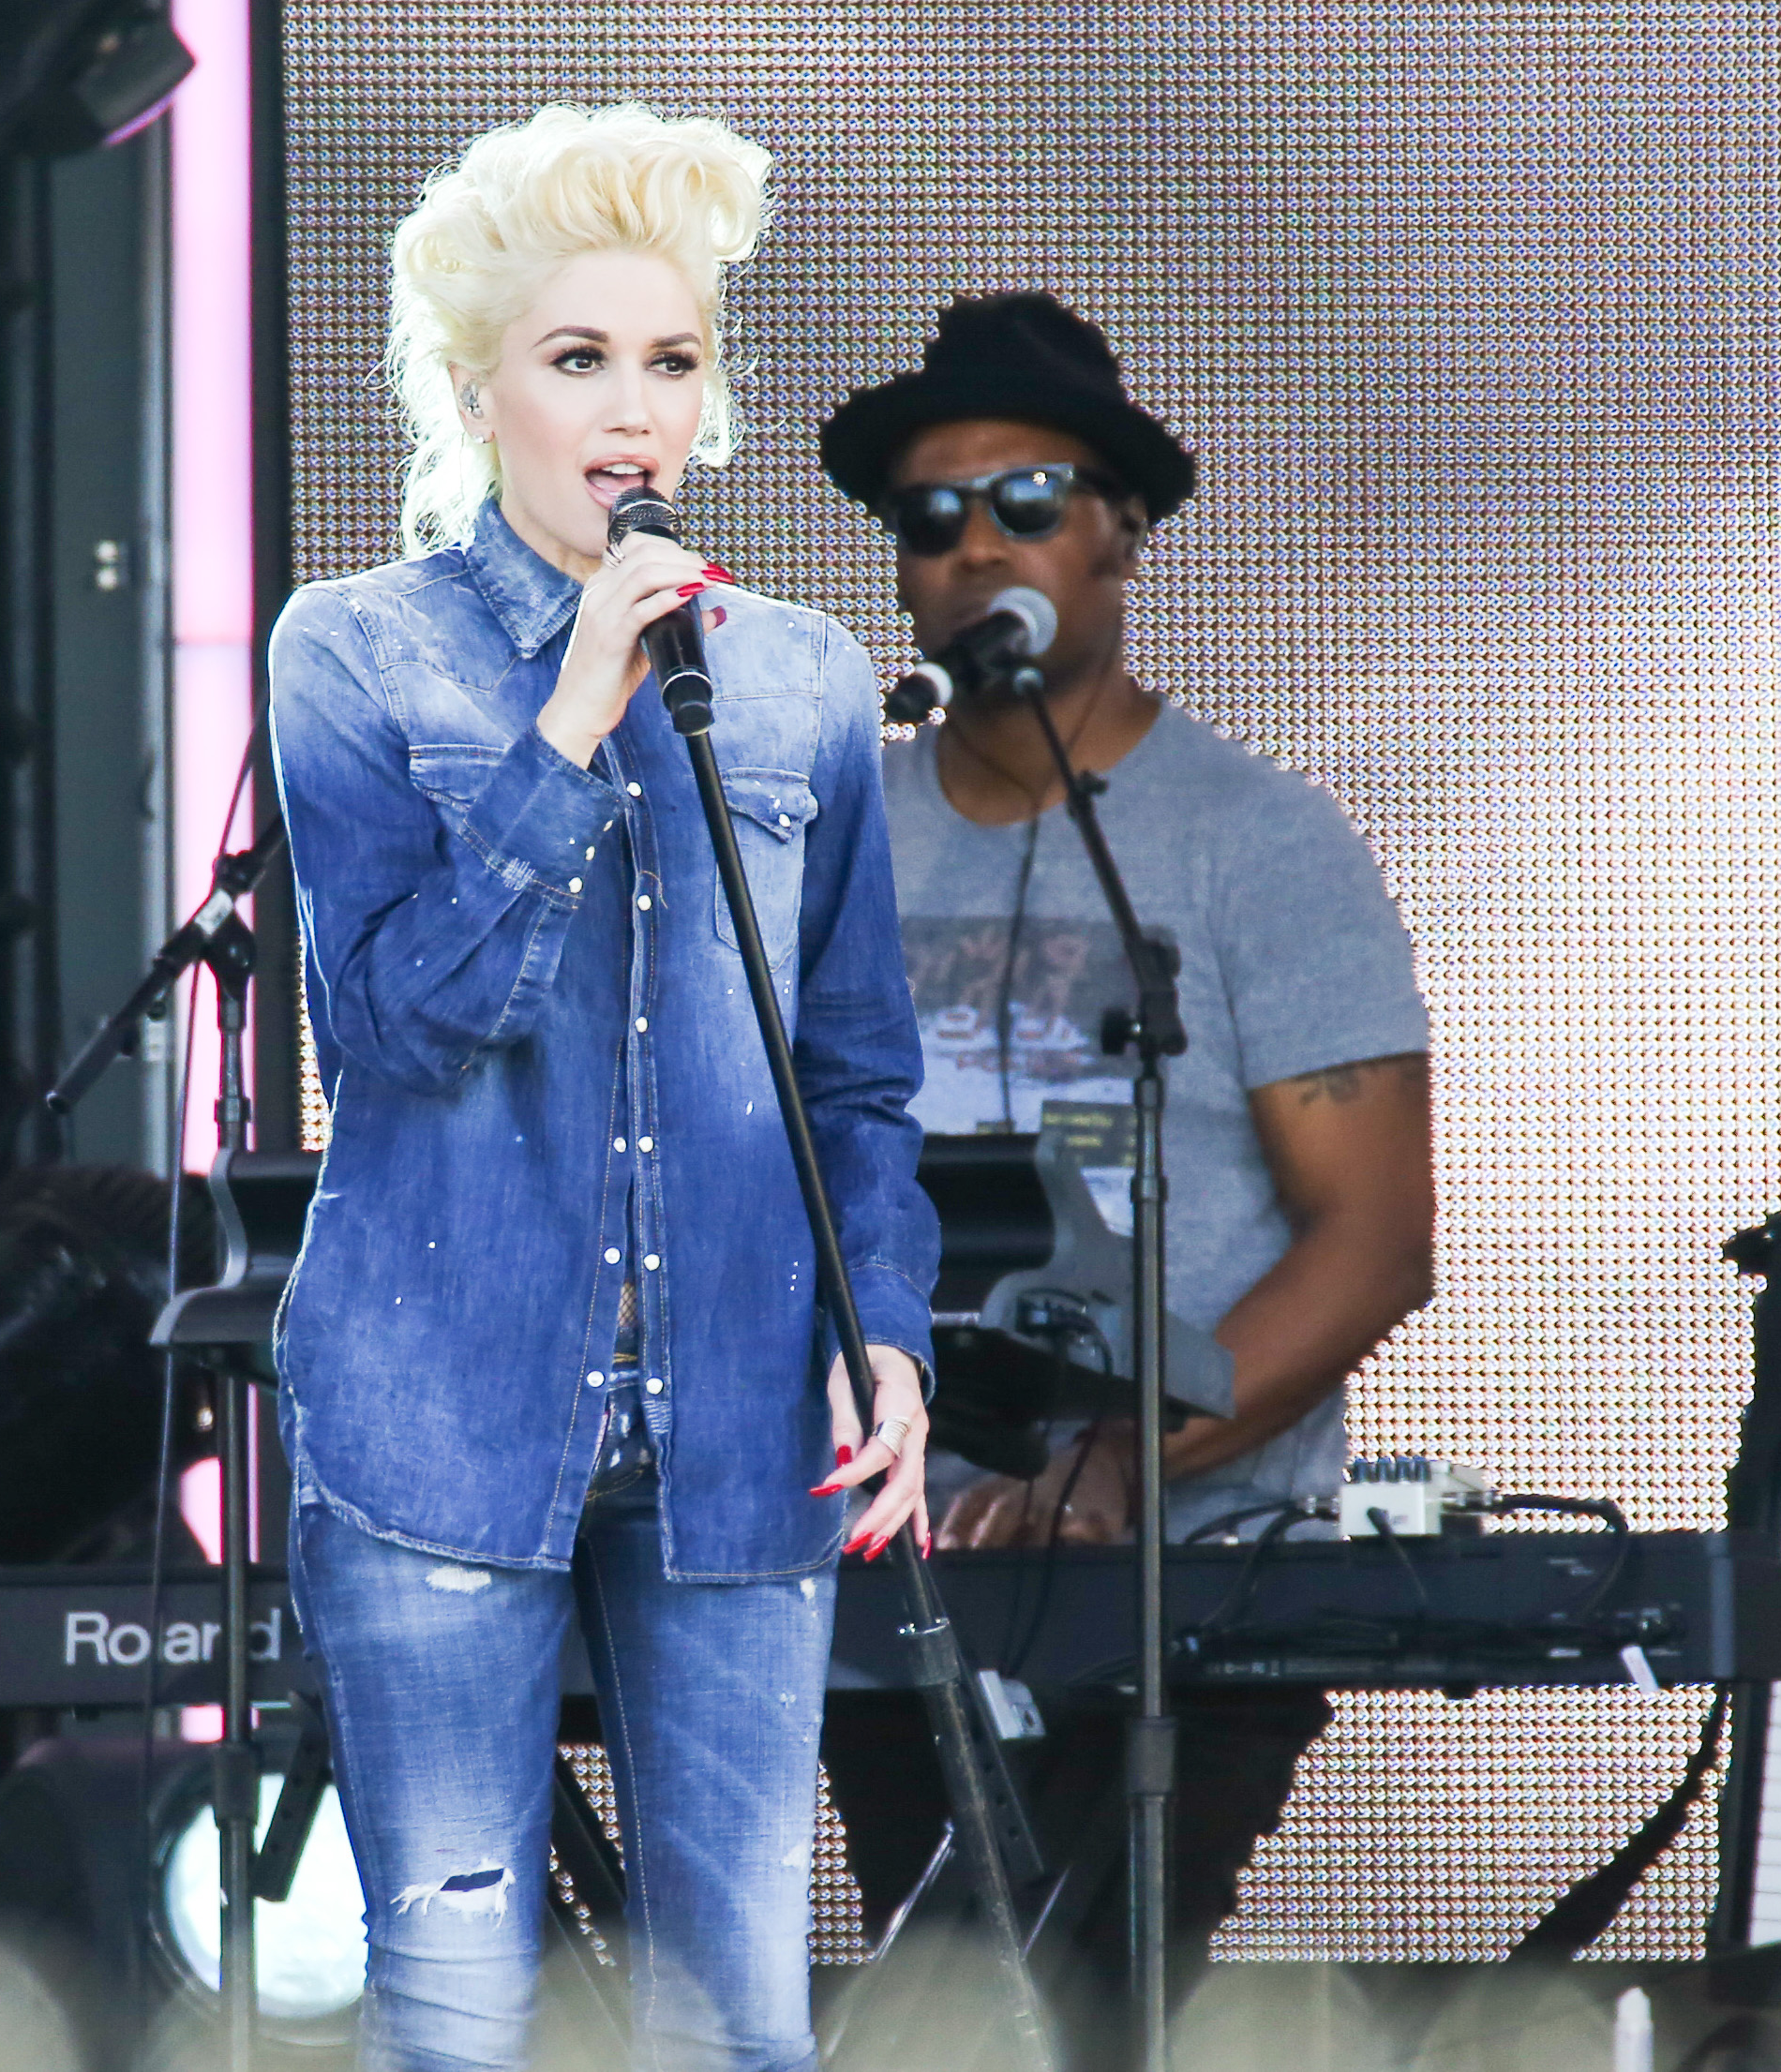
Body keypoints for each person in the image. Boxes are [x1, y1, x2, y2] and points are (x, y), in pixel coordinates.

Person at [266, 106, 940, 2072]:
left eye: (670, 358)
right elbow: (396, 1029)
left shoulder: (801, 682)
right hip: (438, 1408)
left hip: (742, 1416)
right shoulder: (357, 654)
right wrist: (569, 721)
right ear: (478, 388)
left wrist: (885, 1336)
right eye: (578, 358)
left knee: (738, 2020)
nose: (632, 408)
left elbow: (855, 1076)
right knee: (458, 2016)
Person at [813, 293, 1437, 2063]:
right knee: (945, 2000)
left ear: (1121, 533)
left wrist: (1127, 1461)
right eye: (930, 516)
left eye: (1024, 500)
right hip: (893, 1557)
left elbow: (1375, 1238)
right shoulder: (828, 841)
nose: (973, 545)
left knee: (1077, 2002)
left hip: (1194, 1567)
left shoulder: (1259, 843)